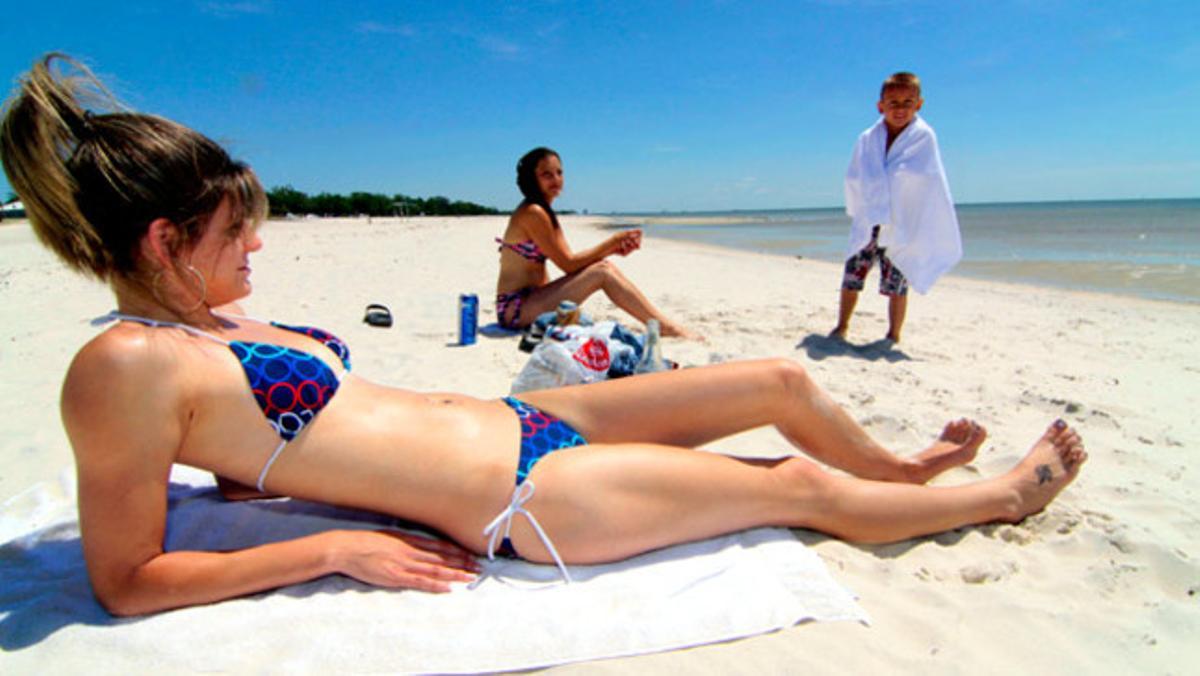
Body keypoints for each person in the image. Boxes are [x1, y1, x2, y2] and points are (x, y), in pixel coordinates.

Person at [1, 54, 1085, 617]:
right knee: (785, 480)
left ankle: (902, 468)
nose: (256, 256)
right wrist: (333, 544)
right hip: (516, 504)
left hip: (526, 418)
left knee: (775, 381)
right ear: (162, 239)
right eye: (237, 235)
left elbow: (266, 439)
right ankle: (994, 498)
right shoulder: (121, 365)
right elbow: (127, 576)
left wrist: (259, 479)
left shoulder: (206, 325)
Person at [495, 147, 696, 338]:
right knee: (602, 272)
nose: (556, 179)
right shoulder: (533, 213)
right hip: (516, 309)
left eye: (559, 172)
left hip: (532, 299)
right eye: (547, 175)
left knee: (603, 269)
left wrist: (613, 250)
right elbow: (568, 264)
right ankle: (663, 327)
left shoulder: (542, 211)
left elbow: (570, 263)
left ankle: (661, 325)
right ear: (532, 179)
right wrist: (612, 242)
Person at [832, 72, 962, 343]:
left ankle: (894, 334)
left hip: (903, 220)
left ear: (919, 104)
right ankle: (841, 326)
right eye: (893, 102)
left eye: (907, 102)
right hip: (871, 219)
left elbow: (928, 177)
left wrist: (895, 181)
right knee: (852, 276)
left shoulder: (924, 137)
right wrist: (869, 196)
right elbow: (854, 174)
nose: (900, 108)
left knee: (897, 283)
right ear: (880, 106)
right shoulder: (868, 138)